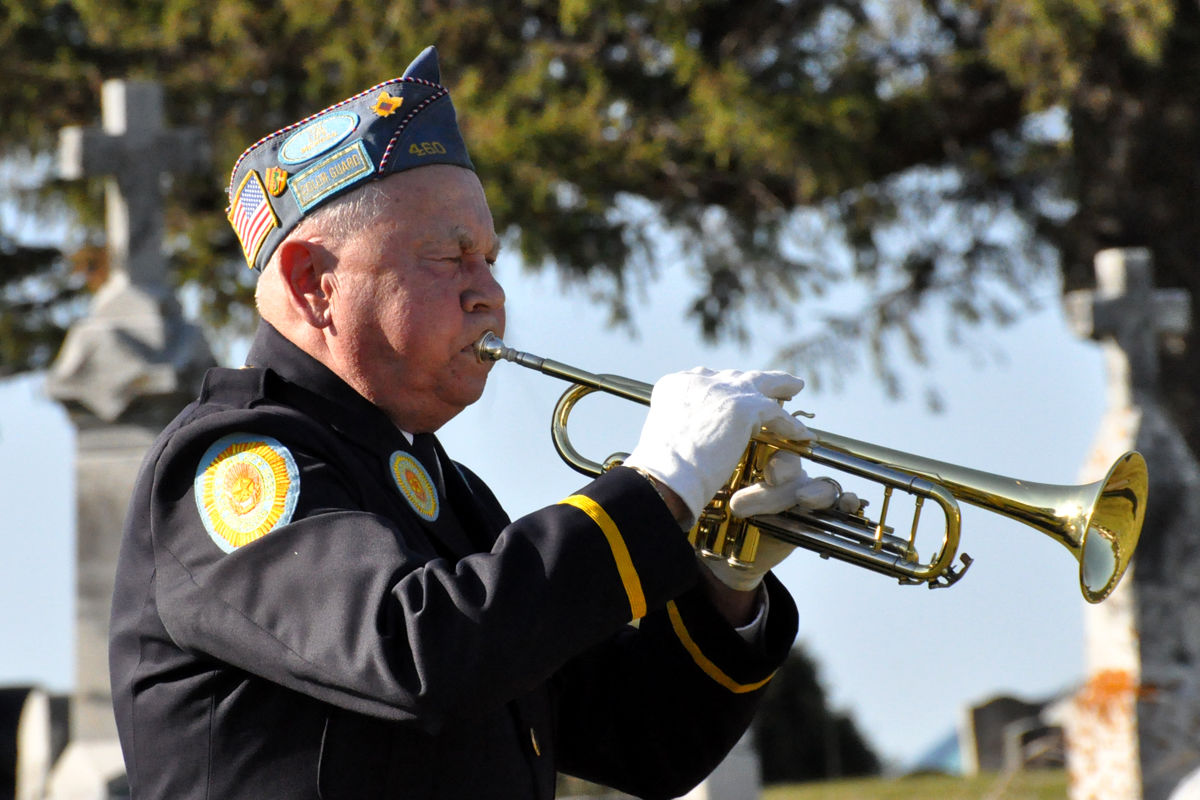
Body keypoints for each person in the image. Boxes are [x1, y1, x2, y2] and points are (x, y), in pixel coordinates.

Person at [109, 46, 852, 799]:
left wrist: (725, 588)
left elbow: (642, 745)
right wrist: (658, 486)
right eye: (451, 257)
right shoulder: (231, 462)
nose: (490, 295)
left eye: (492, 259)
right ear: (313, 285)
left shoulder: (444, 491)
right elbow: (416, 651)